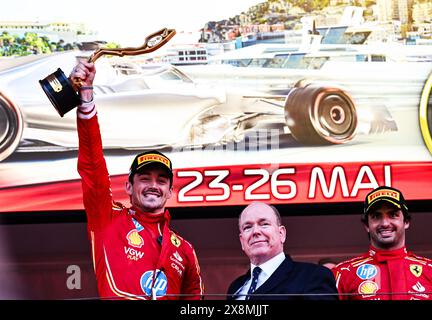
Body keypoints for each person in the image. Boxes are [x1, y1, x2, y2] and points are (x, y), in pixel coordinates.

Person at [71, 60, 203, 300]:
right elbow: (92, 166)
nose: (154, 185)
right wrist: (87, 94)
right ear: (129, 187)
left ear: (170, 191)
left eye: (162, 181)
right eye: (145, 178)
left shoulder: (184, 250)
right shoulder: (108, 219)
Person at [333, 186, 432, 300]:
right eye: (376, 216)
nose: (384, 223)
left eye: (393, 215)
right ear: (366, 225)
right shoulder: (343, 273)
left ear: (406, 222)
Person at [227, 202, 338, 300]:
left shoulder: (313, 275)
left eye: (264, 224)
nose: (255, 231)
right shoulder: (235, 287)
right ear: (242, 241)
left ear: (281, 234)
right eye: (247, 227)